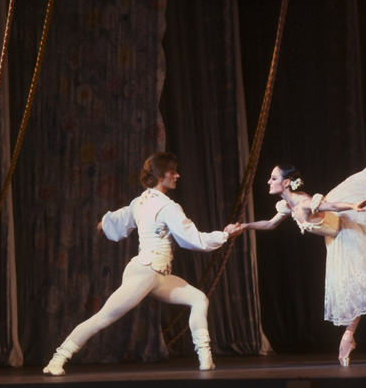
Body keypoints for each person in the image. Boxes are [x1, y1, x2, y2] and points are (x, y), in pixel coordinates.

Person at [228, 106, 366, 366]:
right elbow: (270, 224)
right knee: (347, 288)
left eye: (273, 177)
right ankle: (349, 335)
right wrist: (244, 227)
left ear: (286, 183)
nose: (269, 181)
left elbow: (330, 207)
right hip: (335, 239)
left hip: (347, 226)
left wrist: (353, 206)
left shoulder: (305, 202)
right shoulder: (286, 206)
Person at [43, 152, 243, 375]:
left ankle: (205, 359)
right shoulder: (167, 207)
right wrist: (225, 235)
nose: (177, 175)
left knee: (199, 299)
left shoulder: (141, 201)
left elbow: (120, 218)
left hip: (158, 275)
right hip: (146, 271)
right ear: (159, 175)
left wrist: (103, 224)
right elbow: (193, 240)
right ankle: (57, 359)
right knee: (103, 317)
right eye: (172, 171)